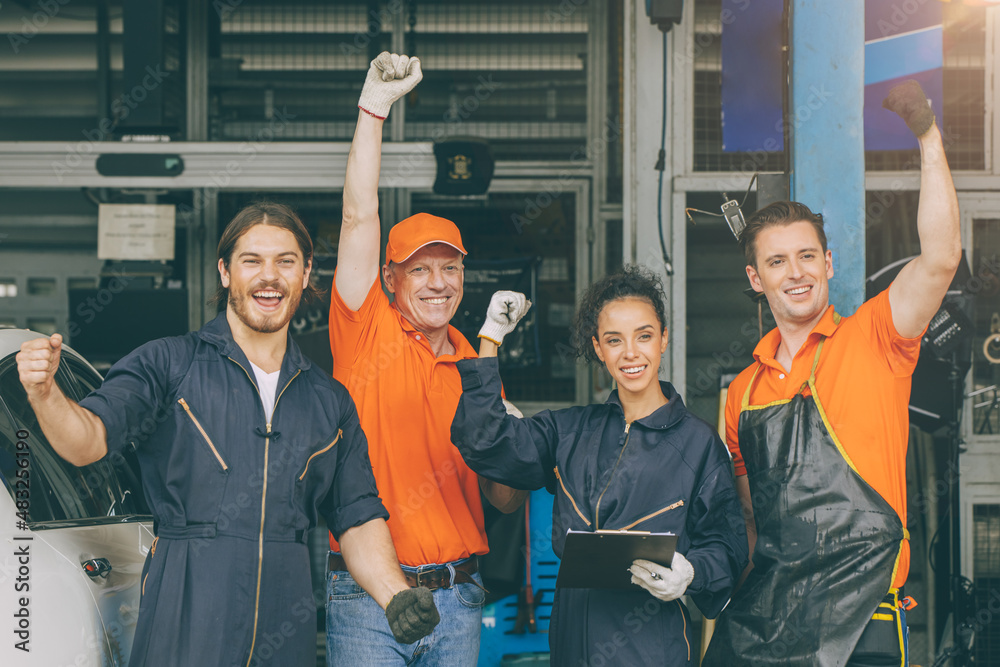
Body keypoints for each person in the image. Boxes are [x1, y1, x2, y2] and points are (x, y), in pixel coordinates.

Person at [15, 201, 439, 667]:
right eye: (251, 261)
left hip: (287, 622)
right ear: (224, 272)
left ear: (306, 273)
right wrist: (44, 394)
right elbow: (86, 441)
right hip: (186, 609)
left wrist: (395, 595)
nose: (269, 276)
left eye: (286, 261)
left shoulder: (328, 400)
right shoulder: (168, 365)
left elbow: (356, 516)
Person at [704, 81, 962, 667]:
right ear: (755, 279)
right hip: (764, 620)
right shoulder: (744, 392)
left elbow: (942, 257)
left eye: (806, 256)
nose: (794, 273)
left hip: (863, 622)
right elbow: (748, 517)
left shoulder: (878, 335)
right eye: (776, 261)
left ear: (828, 263)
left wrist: (927, 134)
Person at [326, 52, 526, 665]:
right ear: (389, 277)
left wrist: (507, 442)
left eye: (450, 267)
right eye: (420, 269)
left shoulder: (476, 364)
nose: (438, 282)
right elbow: (360, 214)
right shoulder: (365, 330)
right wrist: (374, 110)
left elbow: (505, 503)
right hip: (367, 599)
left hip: (460, 597)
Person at [450, 267, 749, 666]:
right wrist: (490, 339)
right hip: (572, 638)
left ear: (664, 339)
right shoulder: (569, 430)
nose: (630, 353)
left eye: (644, 336)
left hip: (650, 645)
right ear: (598, 348)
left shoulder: (697, 443)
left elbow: (727, 548)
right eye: (614, 340)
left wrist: (691, 572)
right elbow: (486, 444)